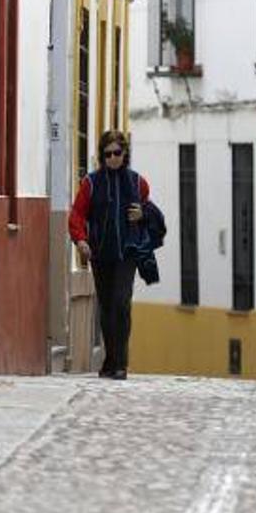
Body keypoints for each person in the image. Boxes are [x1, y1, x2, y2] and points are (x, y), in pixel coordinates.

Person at [69, 130, 151, 380]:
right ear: (102, 156)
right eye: (108, 154)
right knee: (106, 307)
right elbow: (77, 214)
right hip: (101, 253)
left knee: (121, 302)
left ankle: (120, 363)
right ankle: (111, 360)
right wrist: (81, 240)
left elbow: (151, 214)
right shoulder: (91, 184)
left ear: (124, 154)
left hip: (128, 253)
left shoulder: (138, 183)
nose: (113, 158)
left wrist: (143, 215)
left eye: (117, 153)